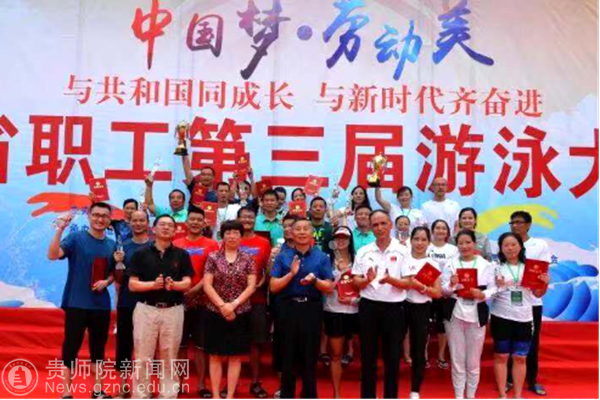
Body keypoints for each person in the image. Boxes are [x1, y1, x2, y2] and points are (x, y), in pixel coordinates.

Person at [48, 202, 116, 400]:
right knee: (71, 346)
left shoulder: (112, 245)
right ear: (89, 216)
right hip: (76, 302)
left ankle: (98, 391)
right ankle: (66, 392)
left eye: (104, 216)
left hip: (100, 305)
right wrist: (60, 230)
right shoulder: (76, 238)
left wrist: (107, 282)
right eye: (96, 215)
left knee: (98, 348)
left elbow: (115, 273)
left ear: (109, 219)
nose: (100, 219)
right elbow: (53, 255)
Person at [128, 215, 194, 400]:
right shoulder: (140, 254)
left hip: (173, 310)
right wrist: (152, 285)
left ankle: (168, 394)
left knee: (170, 355)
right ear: (154, 229)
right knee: (143, 355)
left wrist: (175, 285)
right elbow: (132, 284)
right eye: (162, 224)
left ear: (175, 231)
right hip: (146, 309)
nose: (166, 228)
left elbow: (188, 283)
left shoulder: (182, 255)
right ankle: (141, 394)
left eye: (170, 225)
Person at [270, 218, 335, 400]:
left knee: (309, 356)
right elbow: (273, 287)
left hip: (311, 309)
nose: (302, 232)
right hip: (287, 309)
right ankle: (287, 395)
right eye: (297, 229)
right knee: (287, 356)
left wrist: (314, 280)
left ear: (312, 232)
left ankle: (309, 394)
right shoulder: (283, 257)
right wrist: (291, 274)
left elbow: (329, 287)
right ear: (291, 233)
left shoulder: (322, 257)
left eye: (306, 228)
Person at [353, 210, 410, 400]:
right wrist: (367, 280)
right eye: (375, 225)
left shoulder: (403, 250)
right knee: (367, 357)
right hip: (368, 307)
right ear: (371, 227)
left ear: (390, 224)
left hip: (394, 308)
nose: (380, 228)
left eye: (383, 223)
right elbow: (356, 281)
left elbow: (408, 282)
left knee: (392, 358)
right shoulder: (364, 251)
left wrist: (390, 280)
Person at [492, 233, 550, 400]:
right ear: (501, 249)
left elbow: (537, 294)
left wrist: (544, 283)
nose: (510, 248)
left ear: (520, 247)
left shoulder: (531, 268)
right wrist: (497, 286)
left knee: (520, 358)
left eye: (513, 244)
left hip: (524, 317)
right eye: (506, 245)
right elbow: (489, 293)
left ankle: (518, 395)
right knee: (501, 356)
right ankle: (502, 395)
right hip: (501, 317)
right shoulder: (495, 268)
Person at [204, 221, 258, 400]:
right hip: (215, 311)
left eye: (236, 233)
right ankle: (216, 394)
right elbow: (207, 285)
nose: (232, 236)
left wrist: (233, 305)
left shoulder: (248, 258)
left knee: (235, 356)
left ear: (241, 237)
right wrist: (222, 306)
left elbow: (251, 286)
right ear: (222, 235)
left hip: (240, 312)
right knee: (215, 355)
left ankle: (230, 395)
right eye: (228, 232)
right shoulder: (213, 257)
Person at [442, 230, 496, 400]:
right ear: (456, 245)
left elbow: (493, 288)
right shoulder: (450, 264)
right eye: (460, 243)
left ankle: (471, 395)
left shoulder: (486, 265)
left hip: (476, 314)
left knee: (473, 361)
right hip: (455, 313)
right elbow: (444, 291)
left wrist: (483, 294)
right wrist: (451, 285)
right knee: (457, 360)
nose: (464, 246)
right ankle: (459, 396)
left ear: (474, 244)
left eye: (468, 242)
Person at [173, 207, 220, 399]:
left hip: (204, 300)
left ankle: (202, 385)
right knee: (180, 345)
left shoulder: (212, 244)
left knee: (201, 346)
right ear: (186, 222)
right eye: (191, 219)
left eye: (199, 220)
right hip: (179, 300)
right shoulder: (175, 243)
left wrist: (194, 291)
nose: (195, 223)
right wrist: (183, 291)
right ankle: (178, 383)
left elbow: (214, 272)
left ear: (204, 223)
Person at [509, 211, 552, 397]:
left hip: (532, 301)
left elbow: (543, 271)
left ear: (528, 225)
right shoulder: (508, 243)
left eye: (519, 222)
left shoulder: (539, 245)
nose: (515, 225)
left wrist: (541, 283)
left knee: (532, 342)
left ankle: (532, 380)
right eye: (512, 222)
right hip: (510, 302)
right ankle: (509, 379)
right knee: (510, 341)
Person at [113, 210, 151, 399]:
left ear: (148, 222)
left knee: (148, 347)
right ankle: (123, 386)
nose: (138, 223)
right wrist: (117, 264)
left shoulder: (155, 246)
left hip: (151, 303)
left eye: (141, 220)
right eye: (134, 220)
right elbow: (118, 279)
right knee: (124, 344)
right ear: (129, 223)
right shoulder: (123, 246)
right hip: (127, 302)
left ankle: (144, 387)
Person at [402, 227, 443, 400]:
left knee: (419, 350)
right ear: (410, 240)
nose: (419, 243)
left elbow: (438, 293)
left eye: (423, 239)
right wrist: (407, 282)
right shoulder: (403, 259)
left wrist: (422, 287)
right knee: (393, 346)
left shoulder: (432, 264)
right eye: (416, 239)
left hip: (422, 309)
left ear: (429, 242)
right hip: (401, 306)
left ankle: (415, 390)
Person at [238, 207, 273, 399]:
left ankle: (255, 382)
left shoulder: (264, 242)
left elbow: (269, 269)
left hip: (257, 299)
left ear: (255, 220)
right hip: (233, 300)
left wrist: (264, 280)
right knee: (232, 341)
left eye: (250, 217)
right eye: (244, 217)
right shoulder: (231, 239)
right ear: (238, 219)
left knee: (255, 343)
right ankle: (230, 382)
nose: (247, 220)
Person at [324, 226, 360, 399]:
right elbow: (325, 287)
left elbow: (365, 286)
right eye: (338, 237)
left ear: (350, 240)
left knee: (364, 351)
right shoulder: (326, 259)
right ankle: (336, 394)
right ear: (332, 240)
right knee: (336, 354)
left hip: (356, 311)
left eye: (344, 237)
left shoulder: (359, 259)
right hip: (334, 310)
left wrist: (354, 300)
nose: (341, 240)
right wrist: (340, 273)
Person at [427, 220, 459, 371]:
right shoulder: (426, 246)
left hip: (445, 291)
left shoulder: (453, 249)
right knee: (425, 325)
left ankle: (441, 356)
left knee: (442, 325)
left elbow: (454, 269)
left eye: (443, 228)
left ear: (448, 232)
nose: (440, 231)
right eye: (437, 228)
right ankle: (424, 355)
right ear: (432, 230)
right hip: (427, 290)